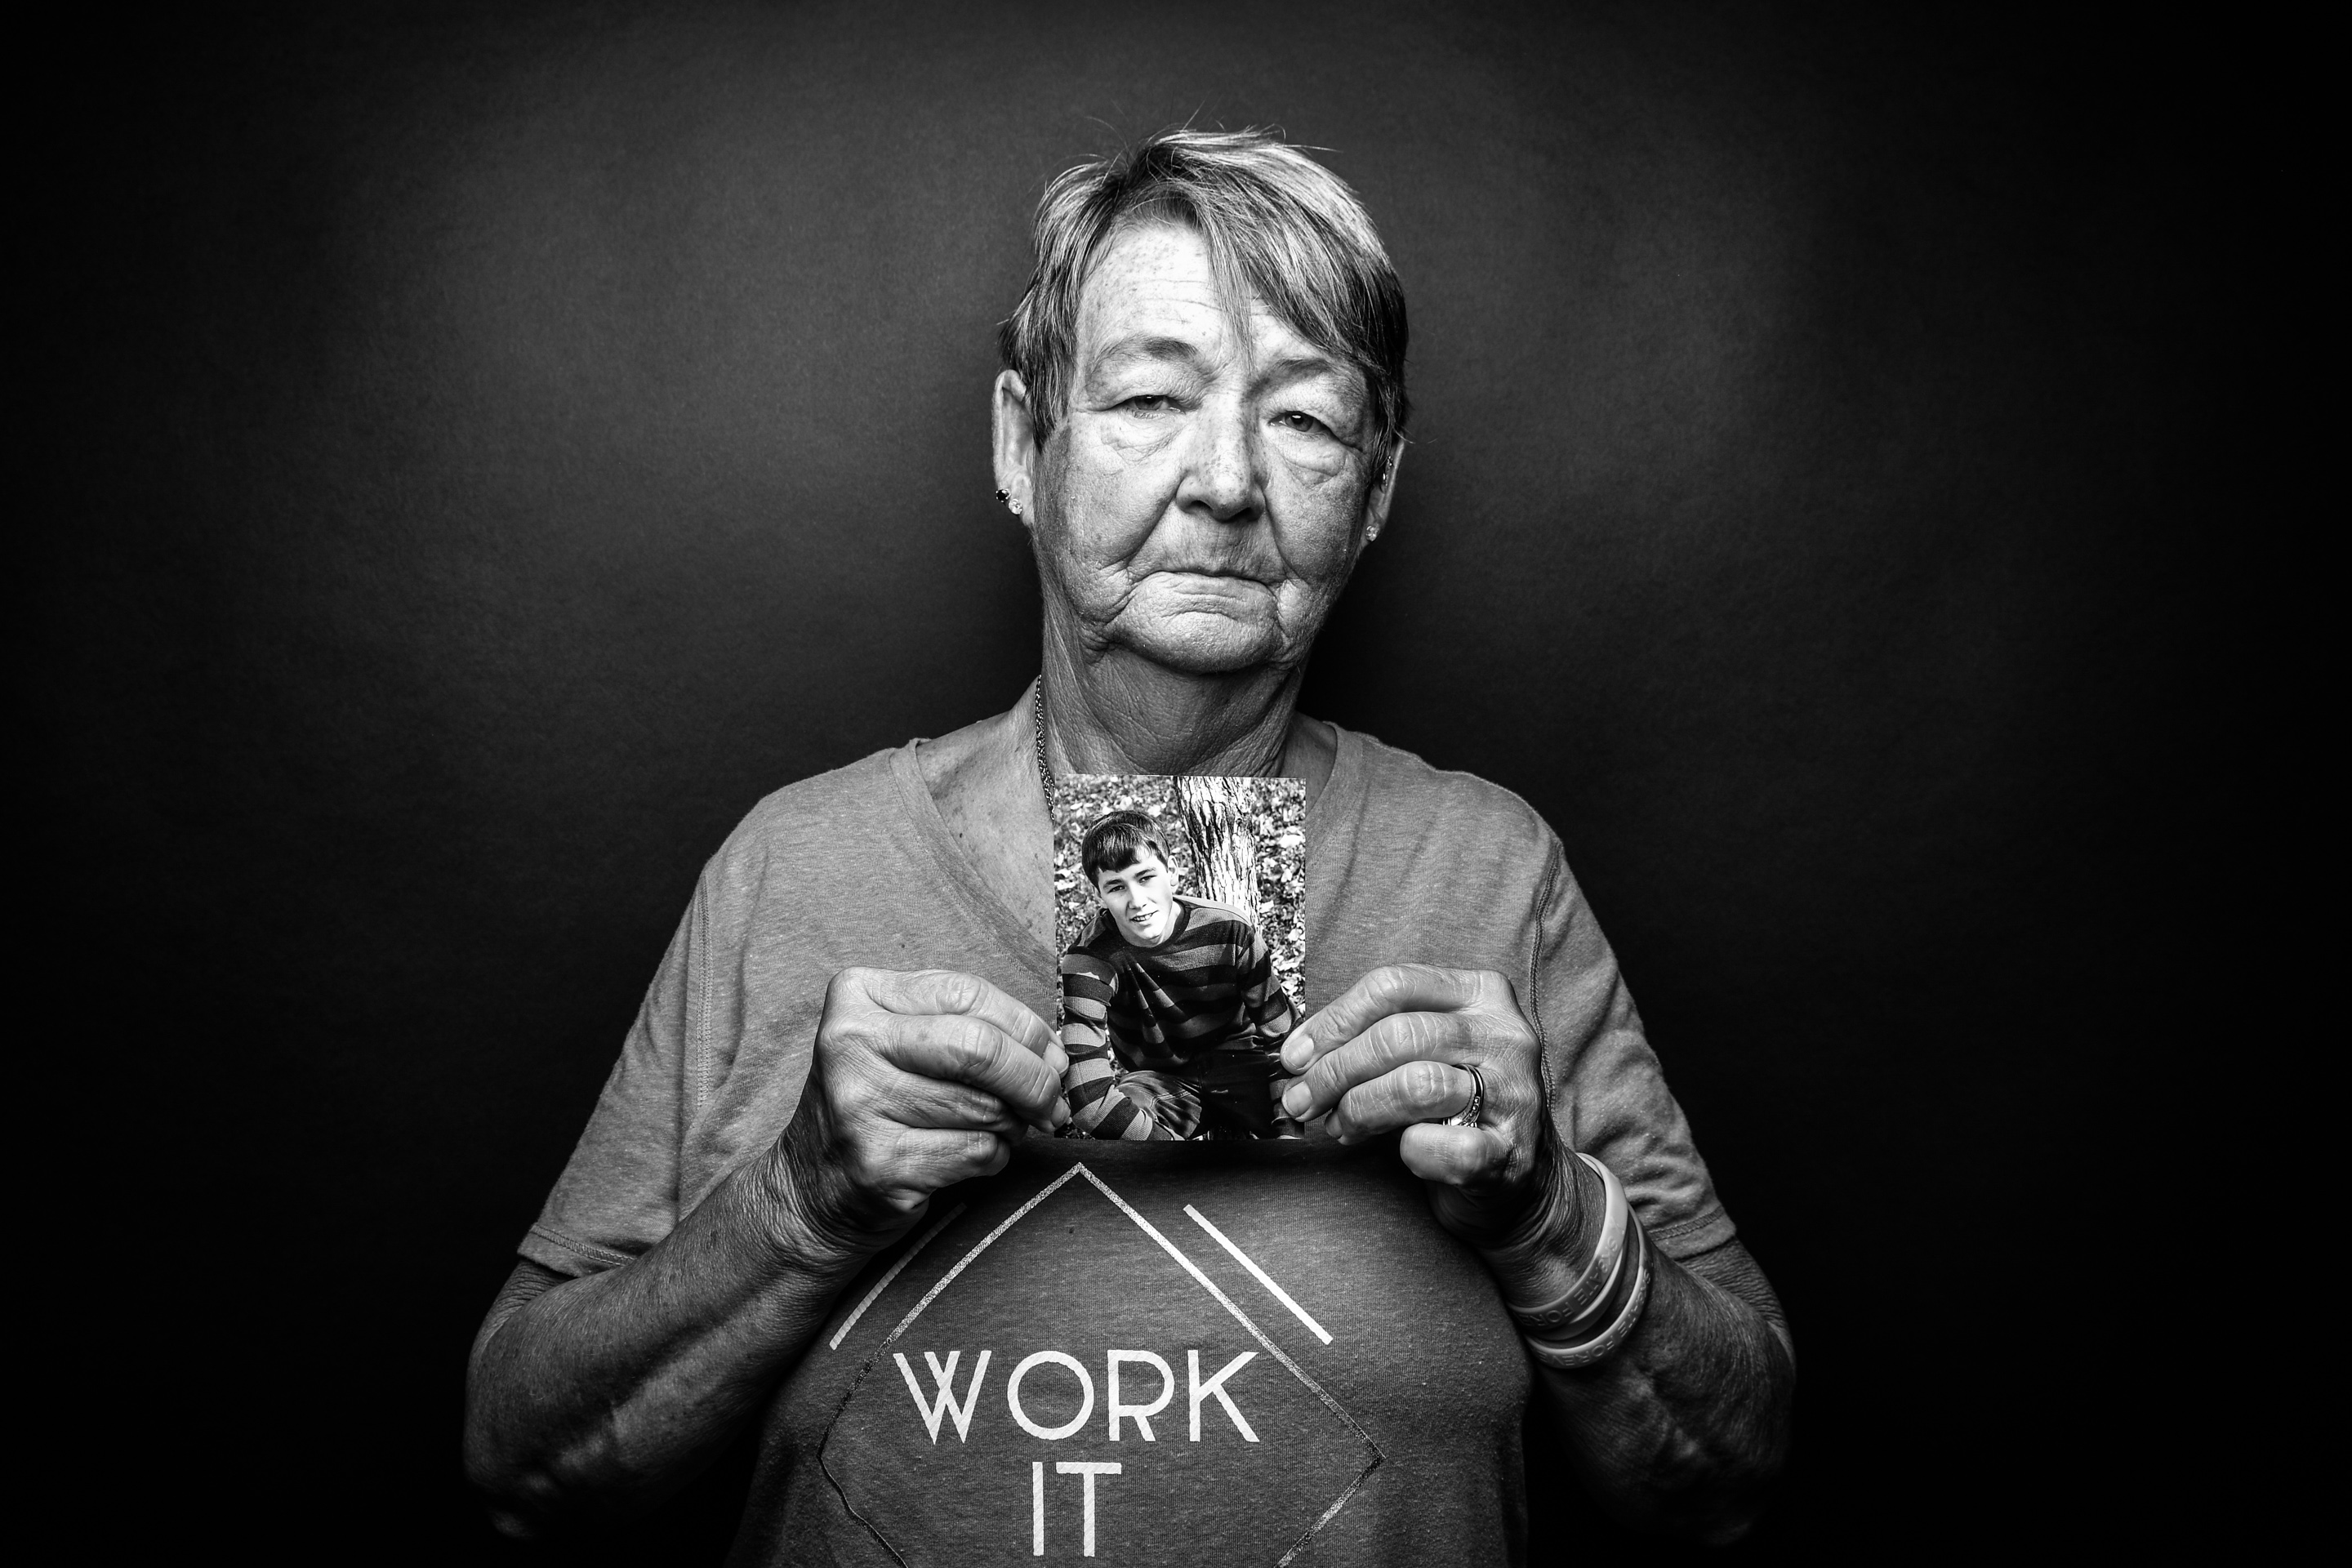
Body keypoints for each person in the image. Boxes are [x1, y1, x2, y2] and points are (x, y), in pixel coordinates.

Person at [465, 128, 1793, 1561]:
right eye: (1152, 396)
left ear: (1378, 490)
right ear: (1019, 444)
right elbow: (523, 1469)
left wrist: (1548, 1215)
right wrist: (797, 1205)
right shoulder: (796, 869)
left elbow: (1728, 1478)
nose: (1226, 481)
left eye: (1304, 420)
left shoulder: (1492, 872)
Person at [1058, 808, 1296, 1139]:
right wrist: (1165, 1152)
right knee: (1127, 1108)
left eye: (1145, 877)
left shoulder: (1229, 929)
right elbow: (1089, 1099)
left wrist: (1288, 1135)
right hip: (1162, 1083)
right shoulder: (1089, 960)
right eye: (1116, 887)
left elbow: (1284, 1039)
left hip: (1242, 1064)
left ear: (1172, 874)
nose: (1137, 901)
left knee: (1313, 1102)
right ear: (1099, 896)